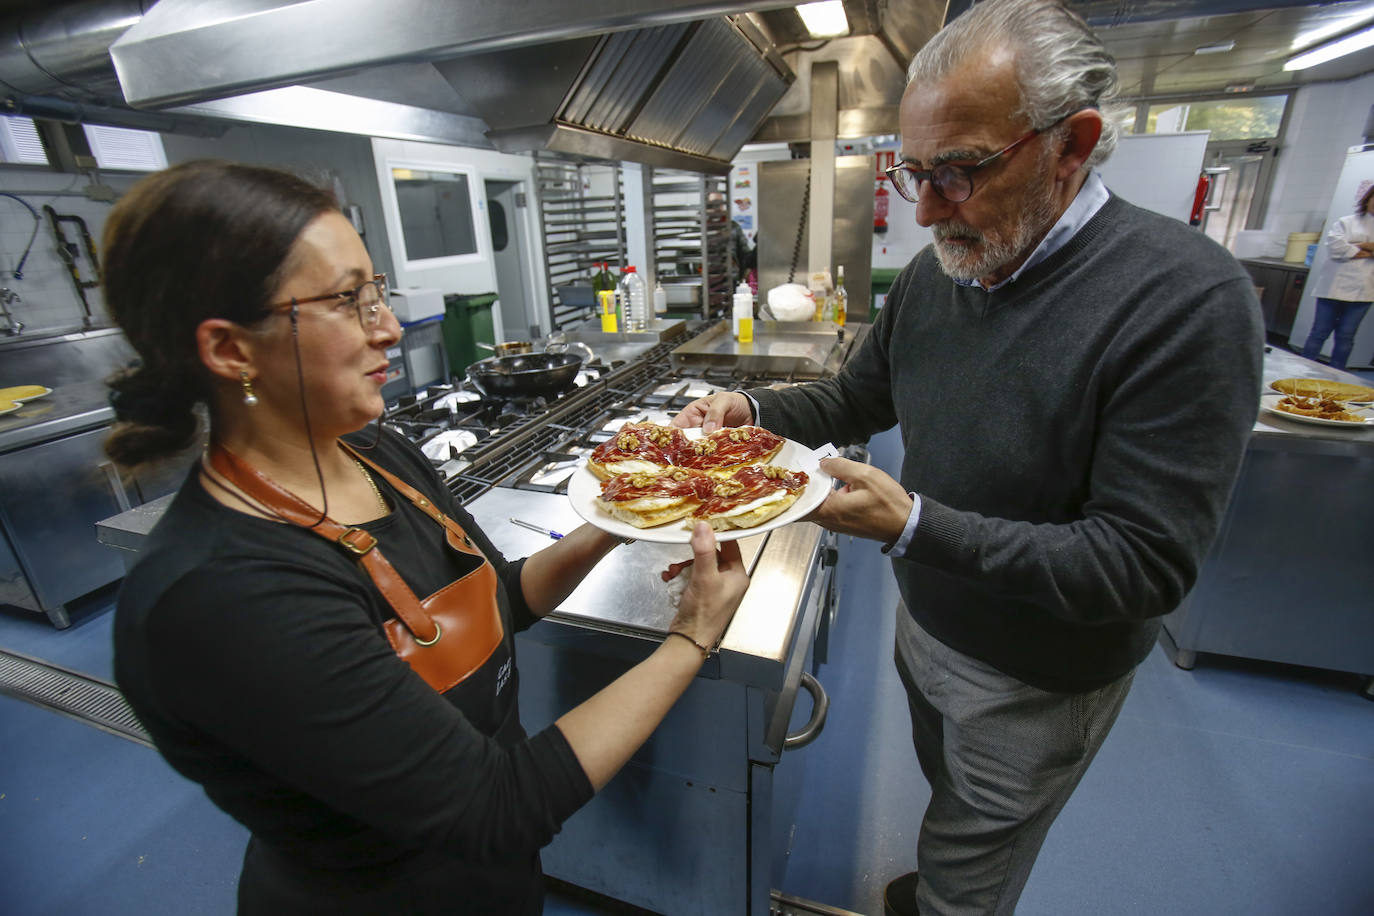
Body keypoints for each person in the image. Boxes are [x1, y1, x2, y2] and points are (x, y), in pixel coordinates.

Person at [673, 1, 1263, 913]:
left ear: (1072, 144)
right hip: (930, 619)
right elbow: (857, 397)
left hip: (1037, 674)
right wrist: (745, 408)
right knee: (952, 802)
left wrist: (913, 525)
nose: (929, 209)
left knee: (971, 869)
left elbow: (1143, 564)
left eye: (960, 171)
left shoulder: (1185, 299)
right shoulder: (938, 272)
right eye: (914, 173)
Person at [103, 160, 749, 915]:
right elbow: (496, 807)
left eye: (376, 292)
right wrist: (691, 637)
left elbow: (494, 602)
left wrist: (615, 519)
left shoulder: (375, 454)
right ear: (230, 351)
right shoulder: (222, 596)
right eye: (347, 300)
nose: (387, 325)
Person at [1300, 183, 1374, 370]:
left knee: (1346, 336)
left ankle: (1338, 375)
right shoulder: (1346, 222)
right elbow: (1336, 248)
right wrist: (1369, 248)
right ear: (1367, 199)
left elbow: (1346, 248)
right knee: (1319, 333)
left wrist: (1357, 245)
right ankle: (1301, 371)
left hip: (1363, 292)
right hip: (1332, 288)